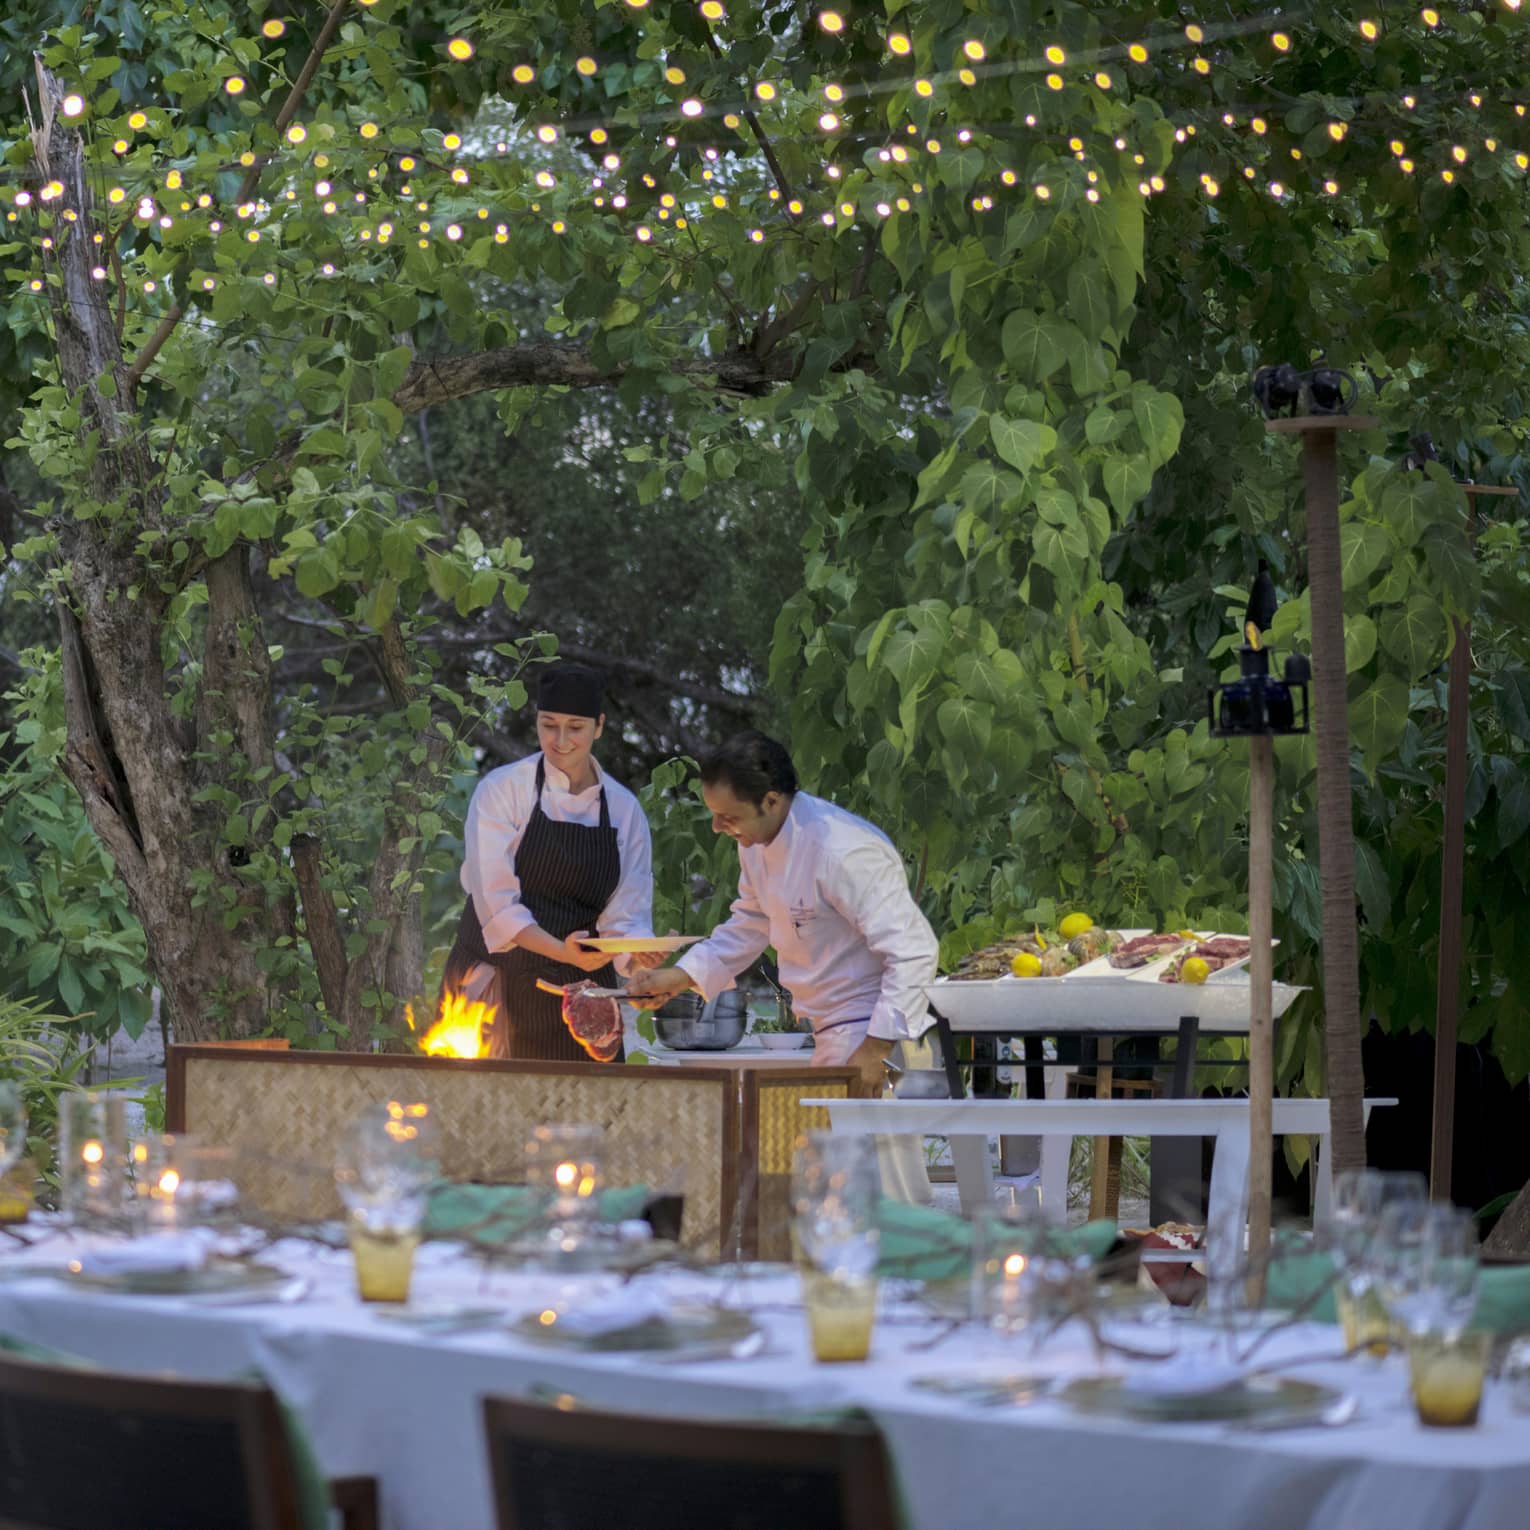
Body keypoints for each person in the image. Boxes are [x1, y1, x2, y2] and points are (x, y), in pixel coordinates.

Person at [631, 731, 939, 1199]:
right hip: (832, 1033)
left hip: (877, 1032)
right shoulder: (754, 842)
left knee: (880, 1199)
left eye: (727, 817)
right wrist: (680, 977)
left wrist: (875, 1051)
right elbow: (752, 922)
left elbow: (915, 950)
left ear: (772, 801)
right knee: (831, 1193)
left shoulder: (840, 849)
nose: (717, 827)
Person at [440, 662, 656, 1061]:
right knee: (488, 1118)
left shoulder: (625, 810)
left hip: (582, 995)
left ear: (599, 726)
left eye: (575, 727)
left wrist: (638, 957)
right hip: (495, 988)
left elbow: (626, 914)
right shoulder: (502, 791)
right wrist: (561, 950)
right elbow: (497, 907)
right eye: (548, 724)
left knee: (588, 1116)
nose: (560, 740)